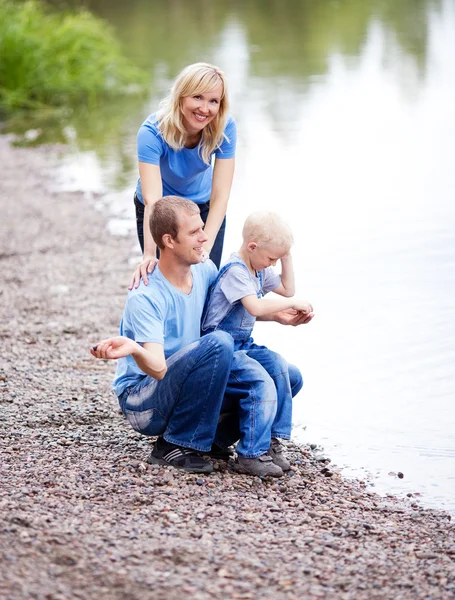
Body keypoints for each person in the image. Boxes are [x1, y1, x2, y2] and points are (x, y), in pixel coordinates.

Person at [91, 197, 311, 477]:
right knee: (219, 343)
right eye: (194, 232)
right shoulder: (146, 295)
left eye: (202, 229)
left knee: (288, 377)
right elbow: (158, 368)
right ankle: (172, 445)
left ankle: (215, 441)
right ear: (169, 241)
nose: (205, 237)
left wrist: (276, 316)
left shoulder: (205, 270)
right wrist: (134, 347)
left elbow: (225, 312)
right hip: (143, 401)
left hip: (194, 380)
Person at [201, 211, 314, 476]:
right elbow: (255, 304)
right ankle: (250, 454)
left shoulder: (258, 268)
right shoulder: (236, 271)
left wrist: (285, 253)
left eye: (277, 259)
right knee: (260, 381)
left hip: (243, 344)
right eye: (271, 258)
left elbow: (288, 289)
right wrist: (288, 306)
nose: (273, 264)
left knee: (279, 367)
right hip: (221, 349)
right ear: (252, 247)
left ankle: (271, 442)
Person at [130, 62, 236, 290]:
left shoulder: (225, 128)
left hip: (203, 208)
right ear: (181, 97)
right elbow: (153, 200)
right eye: (197, 97)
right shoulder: (152, 132)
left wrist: (204, 248)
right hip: (161, 212)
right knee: (165, 281)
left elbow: (221, 196)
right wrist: (149, 254)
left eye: (213, 101)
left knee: (204, 283)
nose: (205, 109)